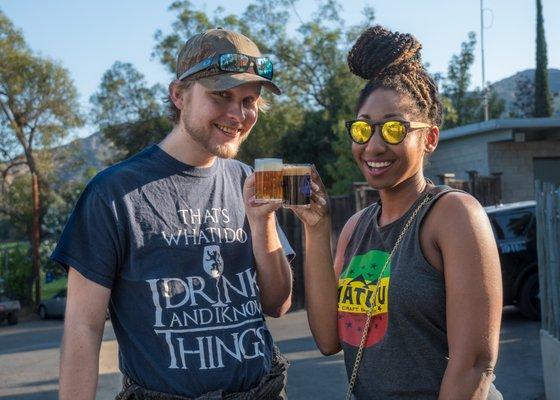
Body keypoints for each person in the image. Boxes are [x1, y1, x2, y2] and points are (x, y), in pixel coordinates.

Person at [52, 28, 294, 400]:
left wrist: (261, 223)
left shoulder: (250, 180)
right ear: (179, 95)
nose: (238, 114)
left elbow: (277, 303)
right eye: (221, 95)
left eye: (250, 101)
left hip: (263, 391)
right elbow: (83, 327)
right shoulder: (113, 193)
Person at [290, 26, 503, 399]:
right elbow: (327, 339)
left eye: (393, 129)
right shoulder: (357, 226)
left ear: (429, 138)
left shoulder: (453, 215)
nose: (373, 146)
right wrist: (317, 229)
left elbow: (474, 364)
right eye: (362, 129)